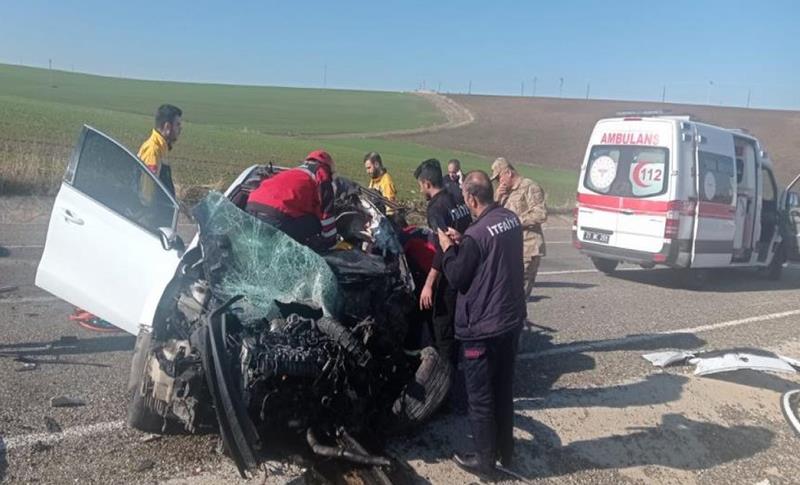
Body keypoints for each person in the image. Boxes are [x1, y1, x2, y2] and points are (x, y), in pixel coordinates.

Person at [437, 170, 525, 479]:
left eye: (465, 197)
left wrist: (449, 249)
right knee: (503, 388)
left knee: (481, 399)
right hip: (510, 320)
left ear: (472, 198)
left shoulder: (476, 235)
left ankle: (486, 465)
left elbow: (459, 278)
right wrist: (466, 242)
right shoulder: (510, 219)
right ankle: (506, 450)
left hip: (483, 327)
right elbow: (491, 250)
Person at [413, 158, 472, 366]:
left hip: (450, 271)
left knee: (442, 322)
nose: (420, 188)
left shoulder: (436, 208)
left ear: (427, 184)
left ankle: (446, 375)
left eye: (420, 184)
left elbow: (442, 247)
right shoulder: (456, 195)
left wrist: (429, 284)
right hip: (468, 265)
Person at [246, 150, 337, 250]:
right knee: (317, 223)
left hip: (250, 209)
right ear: (328, 167)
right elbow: (326, 211)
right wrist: (330, 242)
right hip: (276, 216)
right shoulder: (321, 172)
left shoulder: (293, 172)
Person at [491, 157, 547, 300]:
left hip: (528, 247)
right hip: (511, 248)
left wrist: (515, 221)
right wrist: (497, 199)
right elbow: (493, 217)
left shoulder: (530, 187)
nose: (499, 182)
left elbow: (540, 214)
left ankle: (519, 321)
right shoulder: (505, 193)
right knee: (507, 293)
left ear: (508, 173)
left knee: (519, 295)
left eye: (499, 177)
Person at [138, 104, 183, 196]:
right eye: (177, 125)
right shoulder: (153, 151)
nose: (180, 129)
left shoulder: (161, 148)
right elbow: (146, 192)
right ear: (167, 127)